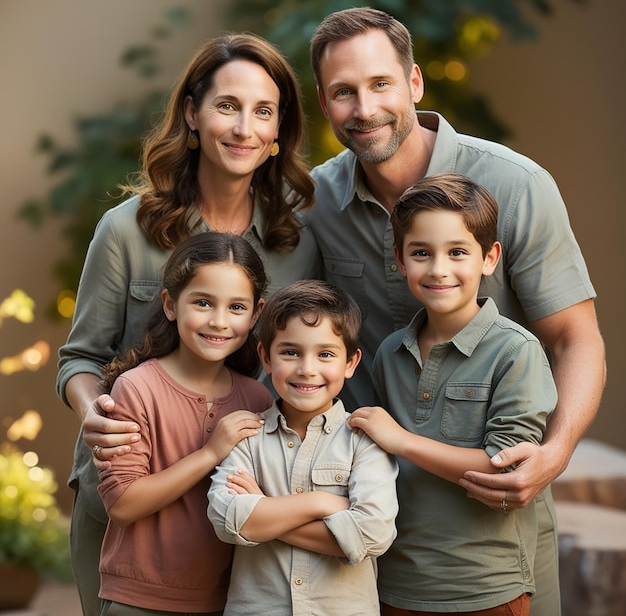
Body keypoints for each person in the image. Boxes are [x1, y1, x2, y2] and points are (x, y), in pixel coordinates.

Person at [304, 7, 605, 615]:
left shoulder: (516, 185)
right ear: (324, 102)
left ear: (414, 82)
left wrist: (553, 455)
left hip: (497, 525)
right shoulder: (314, 203)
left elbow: (577, 339)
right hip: (371, 516)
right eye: (344, 92)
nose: (364, 109)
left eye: (380, 84)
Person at [56, 33, 318, 616]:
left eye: (264, 111)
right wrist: (94, 413)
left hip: (241, 505)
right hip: (127, 510)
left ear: (279, 133)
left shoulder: (298, 244)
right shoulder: (126, 230)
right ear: (193, 114)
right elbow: (80, 357)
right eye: (227, 105)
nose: (244, 127)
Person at [348, 174, 557, 615]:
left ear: (489, 257)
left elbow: (506, 471)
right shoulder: (390, 352)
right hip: (394, 581)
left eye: (457, 252)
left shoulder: (515, 351)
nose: (438, 269)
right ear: (400, 261)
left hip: (483, 588)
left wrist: (403, 441)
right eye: (421, 253)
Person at [96, 230, 273, 615]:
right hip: (138, 599)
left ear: (256, 313)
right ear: (170, 304)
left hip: (226, 600)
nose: (219, 321)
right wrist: (211, 452)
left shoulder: (258, 400)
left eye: (237, 308)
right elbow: (123, 505)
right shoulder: (136, 388)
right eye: (203, 303)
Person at [207, 280, 398, 616]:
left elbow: (372, 535)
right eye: (291, 352)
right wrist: (321, 503)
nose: (307, 369)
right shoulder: (246, 435)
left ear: (351, 363)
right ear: (266, 357)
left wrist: (266, 510)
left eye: (325, 354)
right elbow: (228, 521)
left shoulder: (364, 440)